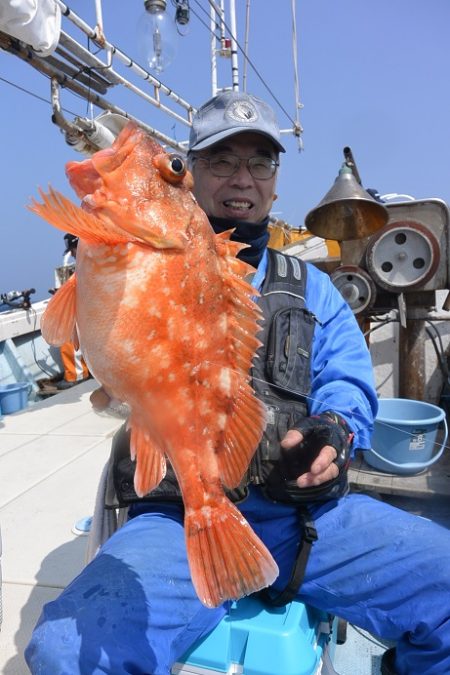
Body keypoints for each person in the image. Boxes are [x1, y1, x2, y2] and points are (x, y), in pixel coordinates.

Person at [25, 91, 450, 675]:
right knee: (66, 652)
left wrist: (335, 428)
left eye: (260, 162)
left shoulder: (315, 289)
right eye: (221, 161)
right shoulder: (131, 246)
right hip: (176, 516)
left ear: (276, 182)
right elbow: (77, 333)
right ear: (192, 176)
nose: (241, 178)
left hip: (306, 520)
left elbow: (348, 381)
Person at [54, 234, 90, 389]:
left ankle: (76, 374)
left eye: (73, 250)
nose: (73, 254)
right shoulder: (92, 261)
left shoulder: (83, 264)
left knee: (68, 334)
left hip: (85, 309)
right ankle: (88, 369)